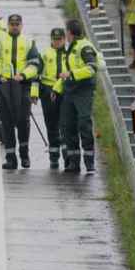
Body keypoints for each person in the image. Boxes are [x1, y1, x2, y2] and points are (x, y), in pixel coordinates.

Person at [0, 14, 41, 170]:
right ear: (8, 25)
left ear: (22, 25)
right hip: (3, 86)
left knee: (23, 121)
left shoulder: (29, 42)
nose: (15, 26)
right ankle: (11, 158)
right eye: (12, 24)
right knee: (6, 122)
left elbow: (35, 65)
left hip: (22, 85)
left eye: (17, 24)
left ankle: (24, 155)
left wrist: (23, 75)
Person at [53, 19, 100, 174]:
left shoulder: (84, 46)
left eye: (66, 31)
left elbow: (92, 68)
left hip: (83, 91)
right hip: (69, 91)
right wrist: (57, 88)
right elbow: (66, 73)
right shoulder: (71, 48)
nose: (65, 34)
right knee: (68, 126)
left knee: (84, 124)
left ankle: (89, 163)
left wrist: (72, 74)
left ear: (70, 32)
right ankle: (74, 163)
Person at [35, 28, 67, 169]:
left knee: (65, 124)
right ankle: (54, 156)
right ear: (51, 40)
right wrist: (34, 93)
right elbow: (36, 76)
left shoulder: (70, 54)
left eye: (60, 39)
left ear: (64, 39)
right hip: (48, 91)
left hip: (65, 91)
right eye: (55, 39)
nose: (57, 42)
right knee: (51, 124)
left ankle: (68, 156)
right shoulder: (45, 54)